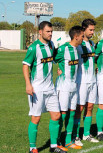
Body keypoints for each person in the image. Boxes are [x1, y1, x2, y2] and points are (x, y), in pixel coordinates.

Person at [23, 21, 66, 153]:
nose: (50, 34)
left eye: (51, 31)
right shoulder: (34, 47)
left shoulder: (52, 45)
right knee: (36, 117)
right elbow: (25, 65)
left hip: (50, 88)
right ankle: (33, 148)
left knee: (56, 115)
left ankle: (53, 146)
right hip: (37, 88)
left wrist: (59, 68)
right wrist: (28, 84)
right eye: (48, 31)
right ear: (40, 32)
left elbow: (53, 59)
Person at [55, 26, 84, 150]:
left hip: (73, 86)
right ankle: (56, 142)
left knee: (72, 113)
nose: (83, 38)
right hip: (63, 87)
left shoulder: (77, 49)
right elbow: (51, 59)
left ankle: (68, 141)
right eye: (82, 36)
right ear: (76, 36)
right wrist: (59, 68)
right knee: (62, 114)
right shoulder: (63, 48)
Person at [72, 19, 99, 145]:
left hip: (92, 80)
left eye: (93, 30)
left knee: (90, 107)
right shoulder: (78, 44)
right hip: (81, 81)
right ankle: (75, 136)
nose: (92, 32)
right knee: (80, 108)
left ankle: (86, 134)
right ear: (83, 29)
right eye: (90, 30)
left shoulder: (92, 44)